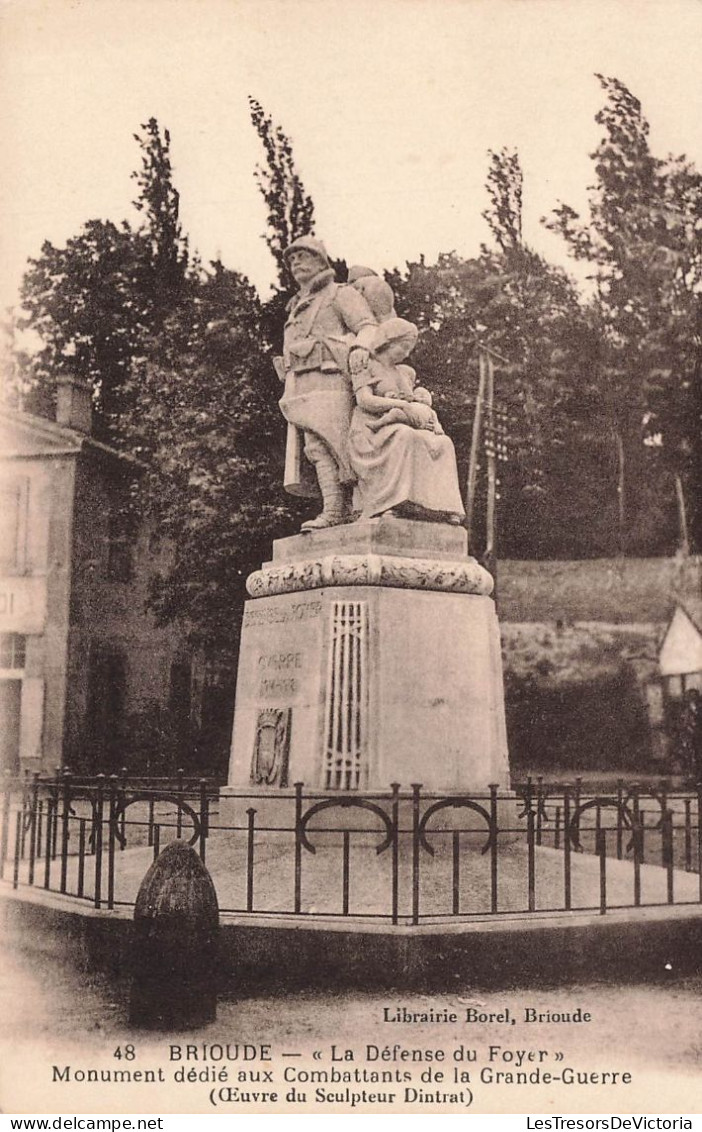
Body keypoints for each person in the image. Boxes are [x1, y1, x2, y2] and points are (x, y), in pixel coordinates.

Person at [277, 237, 378, 530]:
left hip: (333, 378)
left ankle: (361, 507)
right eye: (292, 259)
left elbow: (368, 327)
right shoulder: (296, 306)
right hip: (302, 384)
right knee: (316, 448)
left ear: (321, 260)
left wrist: (361, 348)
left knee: (344, 445)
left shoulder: (338, 294)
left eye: (303, 256)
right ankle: (333, 510)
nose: (296, 263)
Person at [347, 318, 466, 523]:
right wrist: (400, 406)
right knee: (405, 436)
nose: (407, 353)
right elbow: (364, 400)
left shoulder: (404, 373)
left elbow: (413, 402)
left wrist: (425, 419)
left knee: (444, 443)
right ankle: (392, 503)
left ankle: (440, 508)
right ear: (389, 341)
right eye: (404, 347)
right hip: (370, 428)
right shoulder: (365, 364)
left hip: (401, 422)